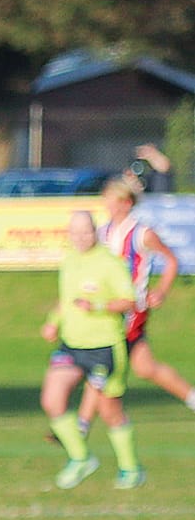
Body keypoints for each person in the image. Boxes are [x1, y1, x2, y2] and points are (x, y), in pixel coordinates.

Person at [44, 211, 142, 489]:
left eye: (85, 232)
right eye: (74, 233)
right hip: (72, 345)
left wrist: (97, 306)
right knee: (52, 398)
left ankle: (131, 469)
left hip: (104, 348)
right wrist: (53, 322)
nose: (80, 238)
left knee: (109, 410)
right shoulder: (70, 261)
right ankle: (80, 457)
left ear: (95, 231)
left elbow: (129, 301)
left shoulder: (110, 263)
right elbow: (66, 300)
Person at [101, 178, 195, 418]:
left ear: (125, 203)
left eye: (111, 199)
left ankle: (80, 425)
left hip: (133, 308)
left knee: (105, 363)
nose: (106, 204)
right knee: (144, 367)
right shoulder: (104, 231)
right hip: (108, 307)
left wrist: (161, 290)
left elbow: (170, 260)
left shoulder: (141, 233)